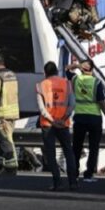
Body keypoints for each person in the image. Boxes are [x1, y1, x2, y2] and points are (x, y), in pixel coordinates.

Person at [66, 60, 105, 182]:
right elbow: (101, 102)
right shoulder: (96, 82)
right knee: (94, 147)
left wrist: (76, 66)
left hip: (80, 116)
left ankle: (74, 173)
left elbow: (67, 69)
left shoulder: (76, 79)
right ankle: (88, 174)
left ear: (82, 69)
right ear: (92, 69)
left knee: (76, 146)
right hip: (94, 117)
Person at [36, 61, 77, 191]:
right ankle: (73, 182)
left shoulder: (40, 86)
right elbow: (72, 104)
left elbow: (42, 109)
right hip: (63, 124)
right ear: (57, 71)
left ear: (45, 73)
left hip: (48, 124)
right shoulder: (67, 83)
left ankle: (57, 183)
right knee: (68, 152)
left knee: (51, 155)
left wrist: (53, 121)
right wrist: (63, 118)